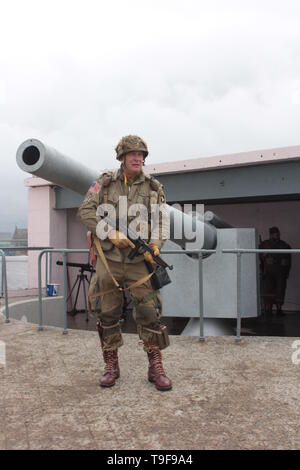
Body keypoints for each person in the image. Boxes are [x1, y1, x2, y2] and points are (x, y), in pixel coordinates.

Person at [78, 135, 172, 391]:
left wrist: (155, 245)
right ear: (121, 157)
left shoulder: (154, 188)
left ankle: (155, 366)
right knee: (106, 311)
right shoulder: (104, 183)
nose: (138, 158)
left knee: (150, 313)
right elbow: (85, 211)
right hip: (109, 259)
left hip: (139, 261)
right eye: (132, 154)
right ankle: (111, 364)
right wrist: (109, 233)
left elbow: (162, 222)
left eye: (141, 154)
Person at [259, 227, 291, 317]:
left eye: (277, 233)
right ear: (270, 234)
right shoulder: (264, 244)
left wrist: (287, 271)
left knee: (280, 290)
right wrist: (264, 257)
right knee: (267, 290)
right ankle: (268, 309)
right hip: (267, 272)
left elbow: (288, 260)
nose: (276, 235)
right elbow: (260, 256)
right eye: (274, 233)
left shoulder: (284, 245)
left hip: (280, 273)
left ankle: (279, 309)